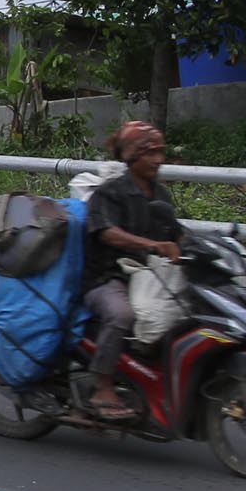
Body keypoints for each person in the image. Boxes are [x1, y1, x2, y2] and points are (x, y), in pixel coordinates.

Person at [80, 119, 184, 419]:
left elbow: (175, 231)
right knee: (122, 314)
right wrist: (152, 245)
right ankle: (102, 386)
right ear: (131, 156)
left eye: (160, 152)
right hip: (105, 277)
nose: (157, 160)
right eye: (150, 153)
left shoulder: (159, 194)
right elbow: (106, 232)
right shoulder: (110, 193)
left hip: (146, 276)